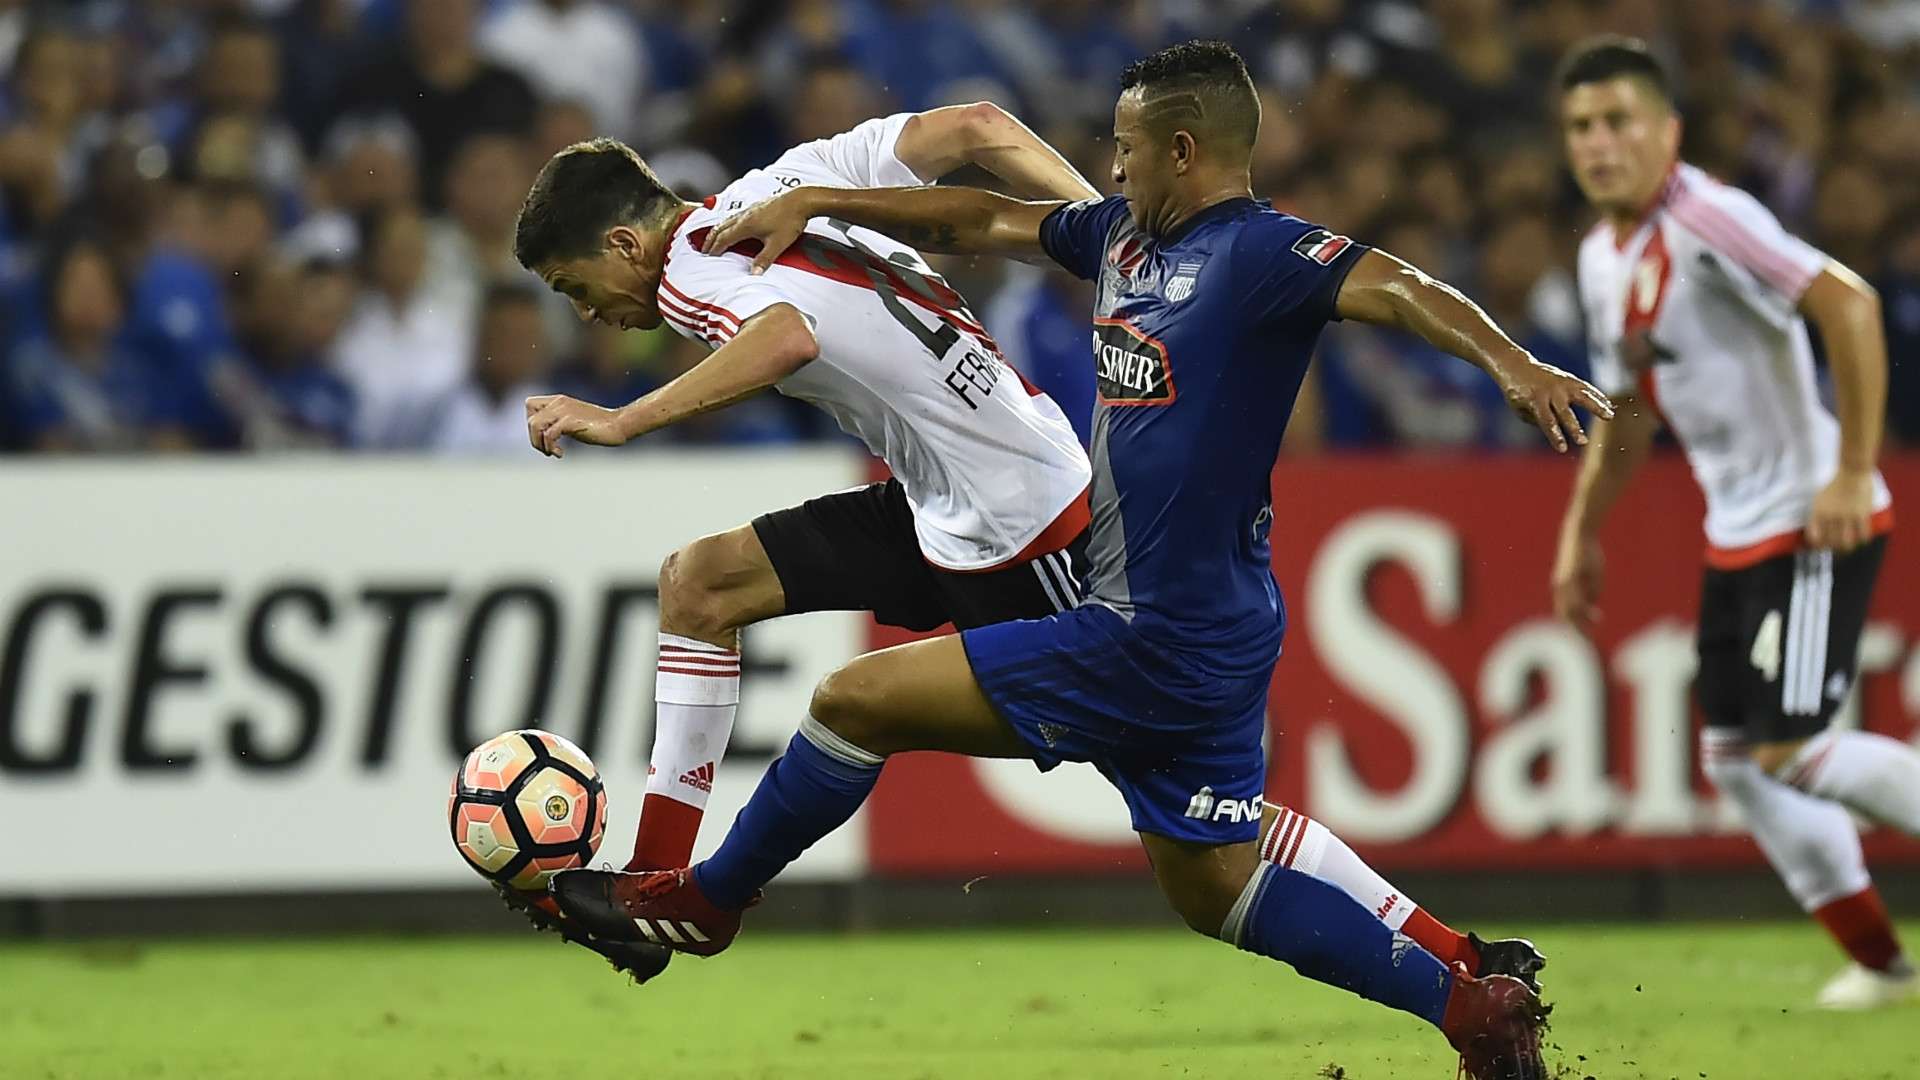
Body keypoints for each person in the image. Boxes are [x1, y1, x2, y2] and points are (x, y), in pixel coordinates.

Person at [557, 41, 1606, 1078]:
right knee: (1215, 882)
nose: (1109, 165)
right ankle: (1471, 996)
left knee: (853, 703)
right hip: (1183, 602)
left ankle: (701, 902)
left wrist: (1513, 362)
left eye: (1125, 147)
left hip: (1137, 617)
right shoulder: (1124, 241)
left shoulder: (1258, 256)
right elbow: (979, 211)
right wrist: (829, 199)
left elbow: (1399, 286)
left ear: (1183, 150)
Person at [1546, 36, 1918, 1011]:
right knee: (1735, 760)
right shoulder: (1601, 256)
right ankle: (1882, 964)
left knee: (1787, 749)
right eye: (1582, 127)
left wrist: (1849, 472)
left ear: (1668, 131)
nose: (1600, 143)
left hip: (1812, 519)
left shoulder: (1711, 219)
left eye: (1620, 121)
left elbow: (1849, 303)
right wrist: (1580, 531)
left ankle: (1880, 963)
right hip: (1740, 531)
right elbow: (1627, 411)